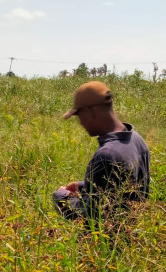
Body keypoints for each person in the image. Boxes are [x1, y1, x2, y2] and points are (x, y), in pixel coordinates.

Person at [53, 81, 150, 223]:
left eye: (80, 116)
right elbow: (119, 189)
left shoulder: (107, 155)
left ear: (90, 111)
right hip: (132, 234)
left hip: (107, 243)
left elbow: (89, 216)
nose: (81, 123)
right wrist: (83, 185)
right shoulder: (136, 140)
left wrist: (61, 196)